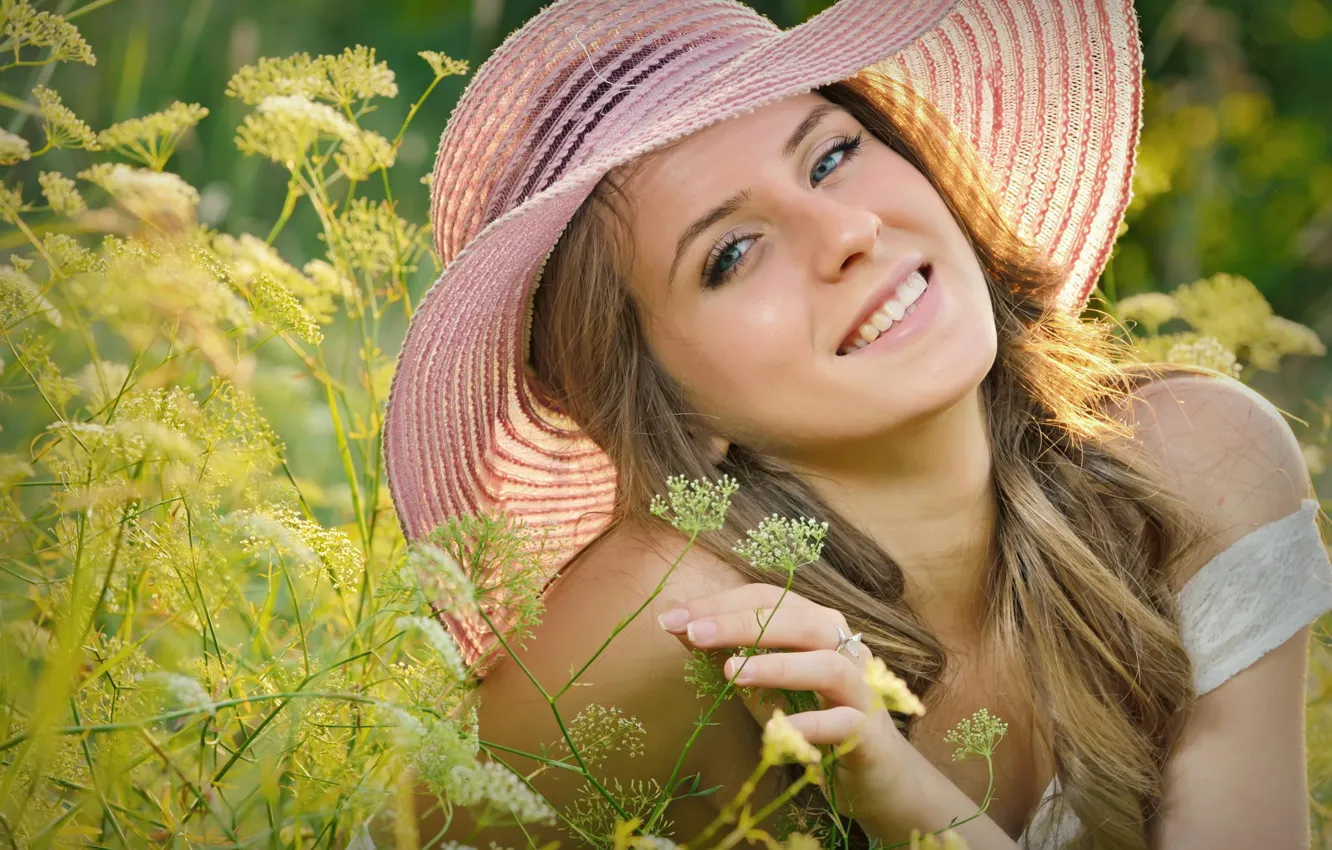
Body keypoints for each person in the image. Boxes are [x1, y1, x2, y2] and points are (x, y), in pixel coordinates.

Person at [381, 0, 1332, 847]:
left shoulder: (1201, 468)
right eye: (733, 253)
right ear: (658, 401)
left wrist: (917, 807)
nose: (847, 234)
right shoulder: (657, 641)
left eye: (832, 157)